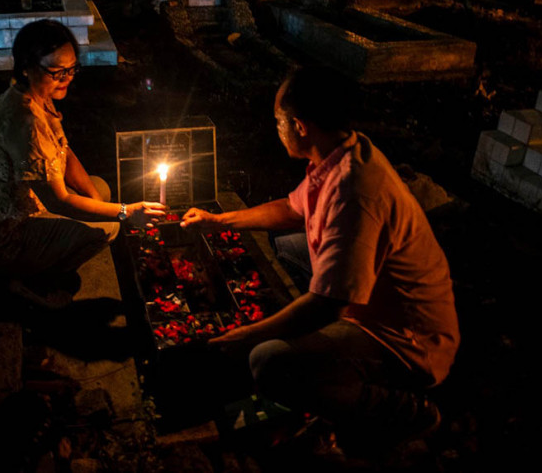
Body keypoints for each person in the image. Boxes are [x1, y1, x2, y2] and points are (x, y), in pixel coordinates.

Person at [181, 66, 459, 452]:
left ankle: (398, 410)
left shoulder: (356, 190)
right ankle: (320, 365)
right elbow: (292, 209)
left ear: (299, 126)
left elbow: (328, 304)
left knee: (267, 359)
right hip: (373, 302)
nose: (276, 128)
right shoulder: (340, 153)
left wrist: (243, 337)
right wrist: (218, 220)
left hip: (404, 337)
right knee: (290, 244)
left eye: (278, 121)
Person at [0, 19, 165, 307]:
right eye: (57, 72)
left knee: (99, 189)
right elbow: (58, 201)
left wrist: (98, 205)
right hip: (2, 238)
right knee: (108, 228)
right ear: (26, 67)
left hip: (23, 206)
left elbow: (64, 152)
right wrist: (126, 212)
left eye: (72, 69)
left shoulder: (34, 94)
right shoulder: (25, 121)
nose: (67, 78)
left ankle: (47, 259)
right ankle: (30, 282)